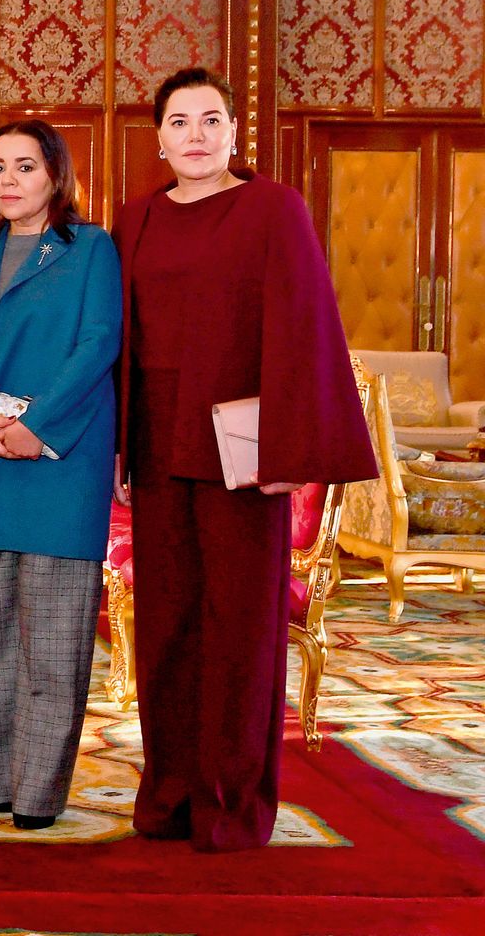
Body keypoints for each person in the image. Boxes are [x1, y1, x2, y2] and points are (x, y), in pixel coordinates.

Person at [115, 67, 373, 852]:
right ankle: (168, 793)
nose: (196, 135)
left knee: (240, 628)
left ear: (234, 132)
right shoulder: (136, 219)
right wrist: (121, 445)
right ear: (158, 136)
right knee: (167, 626)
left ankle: (230, 802)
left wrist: (295, 451)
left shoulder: (274, 208)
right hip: (159, 447)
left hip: (244, 452)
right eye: (180, 122)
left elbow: (306, 327)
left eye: (211, 120)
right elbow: (118, 339)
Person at [0, 120, 121, 830]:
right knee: (0, 645)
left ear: (55, 177)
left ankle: (39, 797)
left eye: (25, 167)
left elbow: (98, 344)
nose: (8, 180)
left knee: (53, 644)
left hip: (57, 462)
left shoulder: (89, 248)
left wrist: (32, 427)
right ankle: (5, 783)